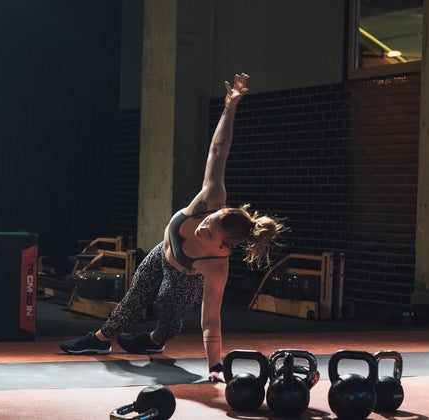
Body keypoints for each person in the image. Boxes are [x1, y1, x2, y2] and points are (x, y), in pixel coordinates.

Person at [60, 73, 284, 382]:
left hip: (184, 276)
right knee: (135, 298)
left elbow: (211, 320)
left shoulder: (216, 265)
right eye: (208, 220)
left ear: (223, 245)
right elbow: (218, 150)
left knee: (167, 312)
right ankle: (101, 339)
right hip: (161, 253)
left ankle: (155, 340)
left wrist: (215, 367)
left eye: (209, 233)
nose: (202, 226)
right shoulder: (211, 198)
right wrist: (229, 107)